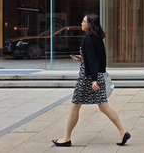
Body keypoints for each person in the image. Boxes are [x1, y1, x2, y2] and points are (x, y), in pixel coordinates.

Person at [52, 13, 131, 147]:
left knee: (75, 106)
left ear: (90, 24)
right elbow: (97, 59)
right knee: (103, 106)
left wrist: (93, 80)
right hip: (97, 75)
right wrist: (83, 59)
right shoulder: (97, 38)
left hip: (87, 78)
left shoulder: (88, 39)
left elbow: (93, 61)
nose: (81, 23)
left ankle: (66, 138)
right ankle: (123, 132)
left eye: (83, 21)